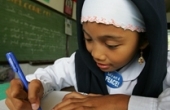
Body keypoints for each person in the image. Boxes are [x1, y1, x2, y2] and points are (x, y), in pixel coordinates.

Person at [5, 0, 170, 110]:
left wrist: (121, 103)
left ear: (144, 40)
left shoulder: (164, 69)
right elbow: (49, 76)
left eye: (112, 45)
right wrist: (33, 87)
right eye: (87, 39)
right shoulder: (79, 63)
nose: (96, 54)